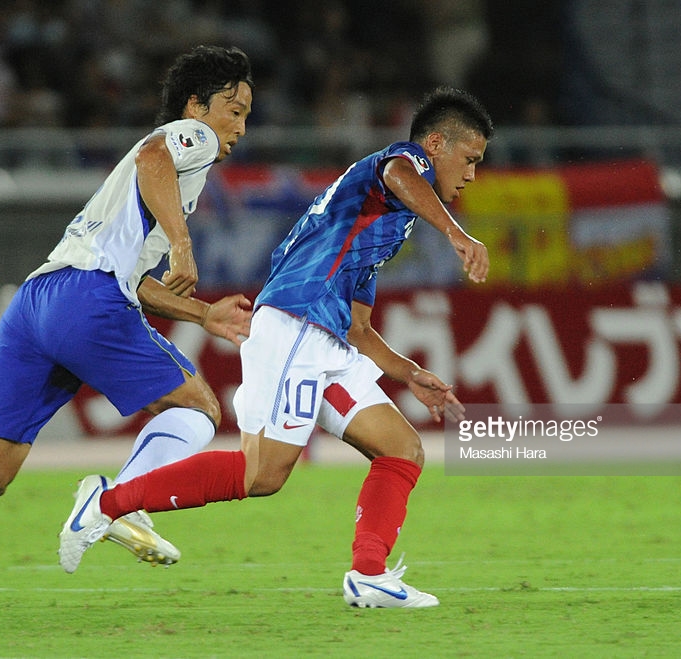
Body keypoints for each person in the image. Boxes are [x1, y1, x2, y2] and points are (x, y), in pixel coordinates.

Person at [59, 87, 493, 608]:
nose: (470, 174)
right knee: (260, 475)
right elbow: (401, 173)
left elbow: (358, 328)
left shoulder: (382, 222)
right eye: (469, 160)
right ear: (437, 143)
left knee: (402, 450)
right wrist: (455, 234)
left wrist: (409, 373)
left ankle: (369, 575)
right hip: (295, 325)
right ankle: (105, 503)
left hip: (328, 339)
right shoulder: (401, 167)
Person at [0, 45, 255, 608]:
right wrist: (182, 241)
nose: (239, 127)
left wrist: (202, 312)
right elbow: (152, 157)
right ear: (196, 105)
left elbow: (139, 279)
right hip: (84, 296)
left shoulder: (163, 179)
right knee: (198, 408)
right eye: (232, 109)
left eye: (246, 115)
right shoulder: (190, 138)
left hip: (33, 304)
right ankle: (118, 501)